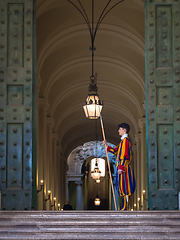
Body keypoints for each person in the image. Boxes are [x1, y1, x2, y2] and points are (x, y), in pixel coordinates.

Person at [103, 123, 135, 211]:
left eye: (120, 129)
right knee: (122, 186)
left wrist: (121, 167)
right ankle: (124, 206)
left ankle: (126, 206)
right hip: (121, 167)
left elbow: (125, 155)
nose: (118, 131)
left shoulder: (126, 141)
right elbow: (115, 151)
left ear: (124, 130)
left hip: (124, 167)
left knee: (125, 186)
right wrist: (106, 146)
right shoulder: (122, 142)